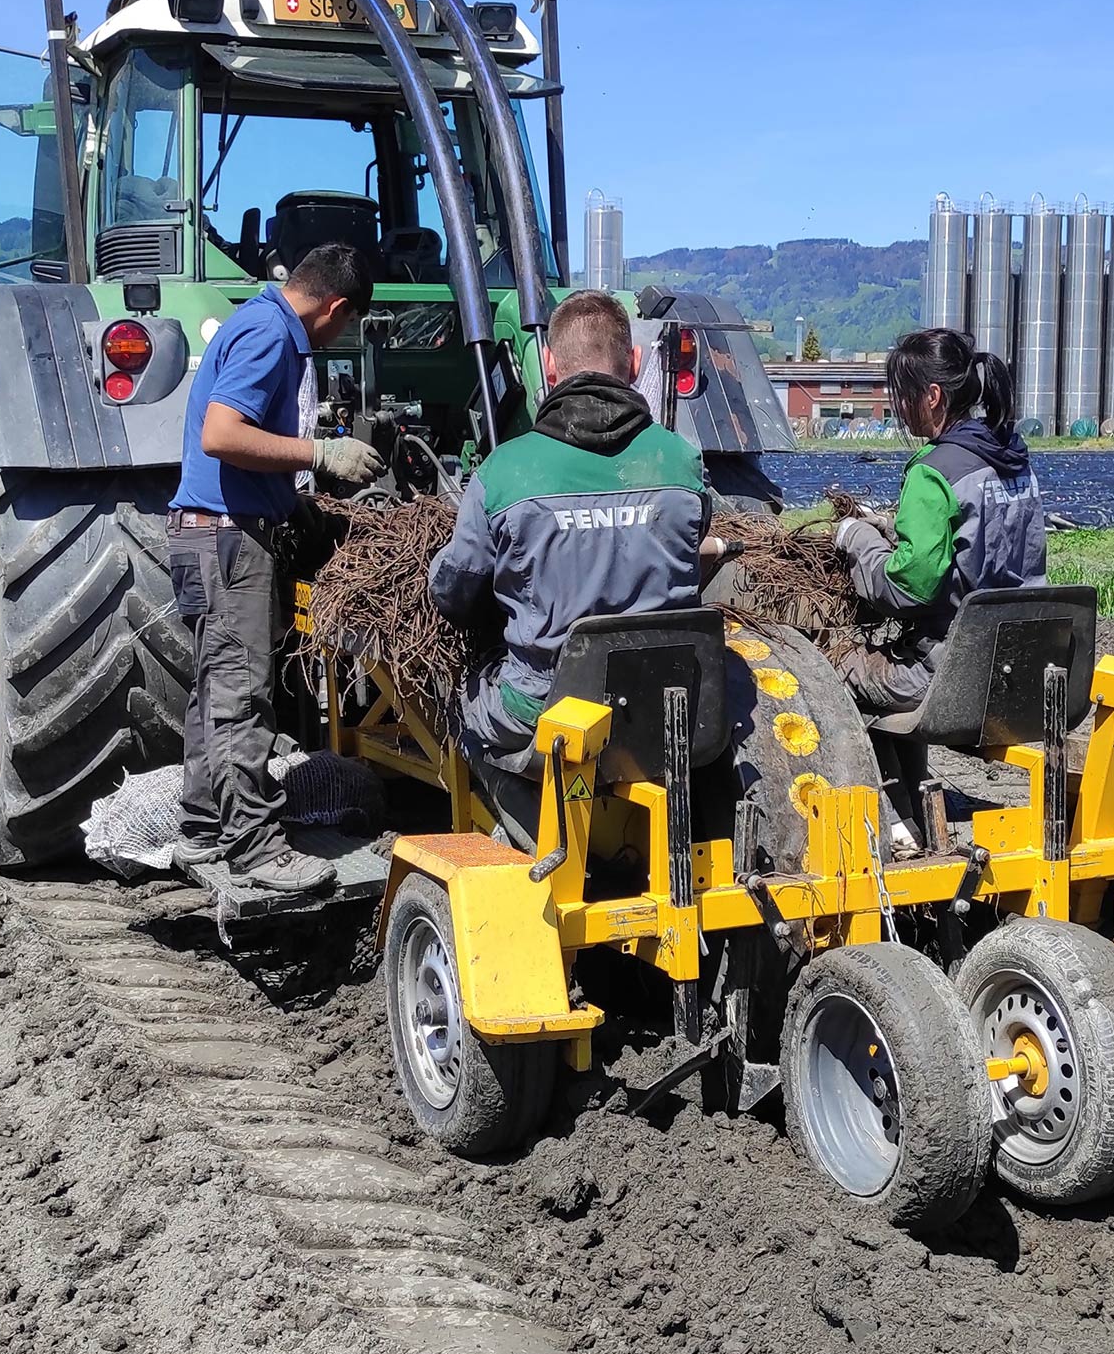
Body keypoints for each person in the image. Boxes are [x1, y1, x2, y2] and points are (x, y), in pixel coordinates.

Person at [428, 290, 711, 835]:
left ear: (551, 368)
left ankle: (539, 833)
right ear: (633, 364)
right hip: (665, 710)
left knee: (461, 709)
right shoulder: (681, 461)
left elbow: (453, 591)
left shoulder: (504, 472)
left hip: (547, 709)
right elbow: (695, 540)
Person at [170, 243, 387, 893]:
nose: (337, 336)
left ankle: (203, 831)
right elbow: (222, 435)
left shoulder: (253, 321)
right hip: (229, 546)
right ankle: (257, 851)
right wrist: (321, 453)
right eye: (344, 325)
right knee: (240, 701)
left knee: (215, 695)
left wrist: (295, 505)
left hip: (206, 535)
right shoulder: (270, 333)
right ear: (337, 306)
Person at [834, 327, 1045, 713]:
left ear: (932, 396)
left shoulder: (932, 471)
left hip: (950, 673)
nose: (899, 407)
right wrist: (888, 524)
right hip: (1020, 664)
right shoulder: (1013, 458)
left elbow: (908, 590)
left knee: (832, 666)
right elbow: (977, 535)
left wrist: (856, 537)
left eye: (902, 395)